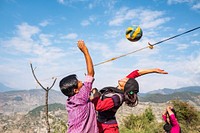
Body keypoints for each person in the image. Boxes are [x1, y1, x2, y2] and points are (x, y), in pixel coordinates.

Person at [91, 68, 168, 133]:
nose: (125, 77)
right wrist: (153, 70)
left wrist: (95, 94)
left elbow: (99, 106)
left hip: (108, 128)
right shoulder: (118, 90)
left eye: (127, 79)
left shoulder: (118, 97)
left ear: (125, 85)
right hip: (100, 124)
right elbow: (135, 73)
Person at [59, 40, 98, 133]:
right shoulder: (81, 96)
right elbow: (91, 73)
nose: (82, 81)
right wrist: (85, 50)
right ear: (76, 90)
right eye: (79, 82)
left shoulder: (71, 100)